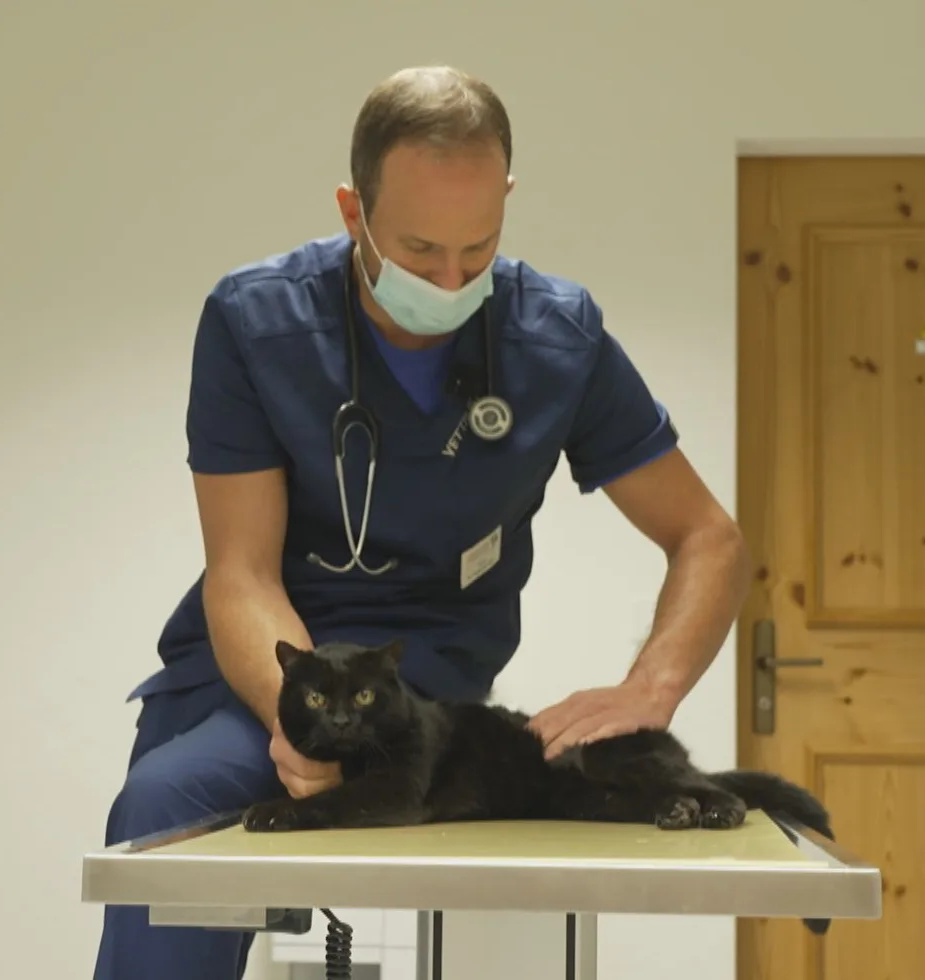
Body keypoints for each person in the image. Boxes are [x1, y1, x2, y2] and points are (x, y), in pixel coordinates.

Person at [93, 64, 751, 980]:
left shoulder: (556, 338)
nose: (449, 280)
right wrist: (297, 727)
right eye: (418, 250)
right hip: (269, 668)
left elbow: (709, 536)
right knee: (171, 801)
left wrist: (652, 687)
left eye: (478, 250)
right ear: (352, 212)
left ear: (507, 200)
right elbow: (242, 572)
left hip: (422, 682)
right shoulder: (257, 322)